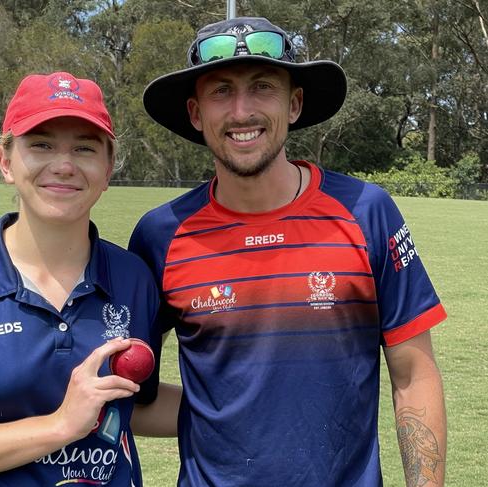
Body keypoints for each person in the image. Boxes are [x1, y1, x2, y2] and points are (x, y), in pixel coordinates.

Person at [129, 17, 447, 487]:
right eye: (220, 91)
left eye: (262, 87)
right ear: (196, 114)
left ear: (294, 103)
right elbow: (131, 398)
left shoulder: (366, 212)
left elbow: (413, 374)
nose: (242, 111)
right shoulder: (161, 235)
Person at [0, 71, 178, 487]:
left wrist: (249, 411)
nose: (63, 165)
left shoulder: (134, 278)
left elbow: (137, 405)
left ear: (108, 167)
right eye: (40, 145)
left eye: (84, 148)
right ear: (6, 161)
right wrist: (59, 427)